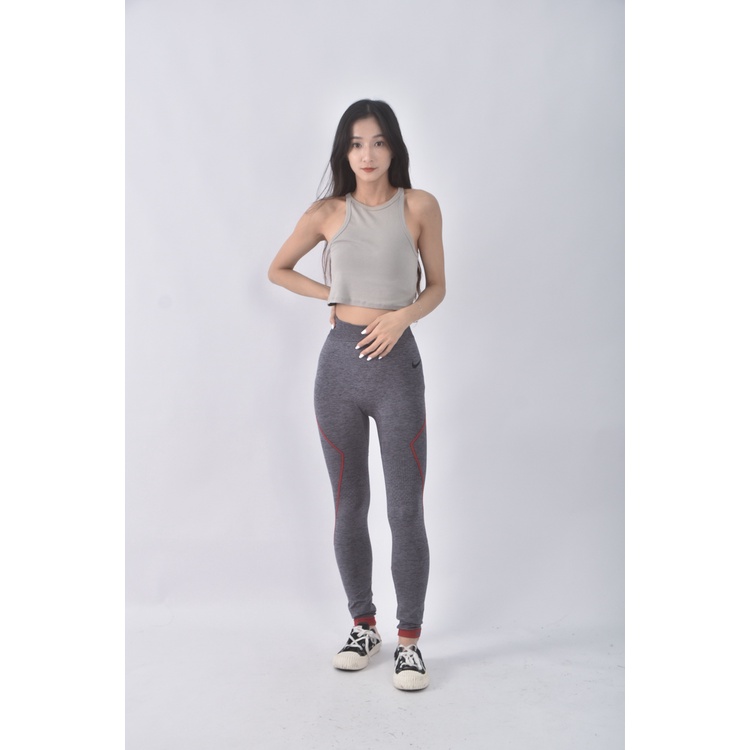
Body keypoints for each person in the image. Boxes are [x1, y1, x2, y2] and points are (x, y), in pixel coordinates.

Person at [268, 99, 446, 691]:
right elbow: (278, 269)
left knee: (404, 509)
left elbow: (438, 286)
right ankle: (362, 626)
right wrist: (332, 296)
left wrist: (402, 317)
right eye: (355, 143)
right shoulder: (326, 212)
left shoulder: (419, 207)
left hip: (398, 369)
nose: (367, 154)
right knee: (349, 504)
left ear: (394, 147)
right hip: (339, 368)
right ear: (344, 152)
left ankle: (410, 642)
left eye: (378, 142)